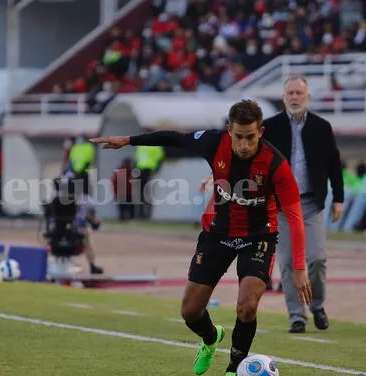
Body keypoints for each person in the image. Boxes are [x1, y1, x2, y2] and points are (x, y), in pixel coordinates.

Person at [91, 99, 312, 376]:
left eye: (251, 138)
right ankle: (210, 338)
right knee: (190, 311)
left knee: (247, 306)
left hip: (259, 236)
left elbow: (294, 215)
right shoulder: (213, 143)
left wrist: (300, 268)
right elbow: (173, 138)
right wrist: (127, 140)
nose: (244, 145)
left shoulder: (275, 164)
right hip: (217, 233)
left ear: (261, 132)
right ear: (229, 130)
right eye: (239, 137)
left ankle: (233, 368)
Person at [262, 76, 343, 334]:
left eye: (299, 93)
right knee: (287, 262)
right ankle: (296, 316)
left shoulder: (321, 127)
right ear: (284, 97)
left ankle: (317, 305)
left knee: (317, 258)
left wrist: (338, 198)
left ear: (307, 96)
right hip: (282, 207)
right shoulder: (269, 127)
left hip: (311, 203)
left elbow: (334, 164)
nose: (294, 97)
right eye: (290, 93)